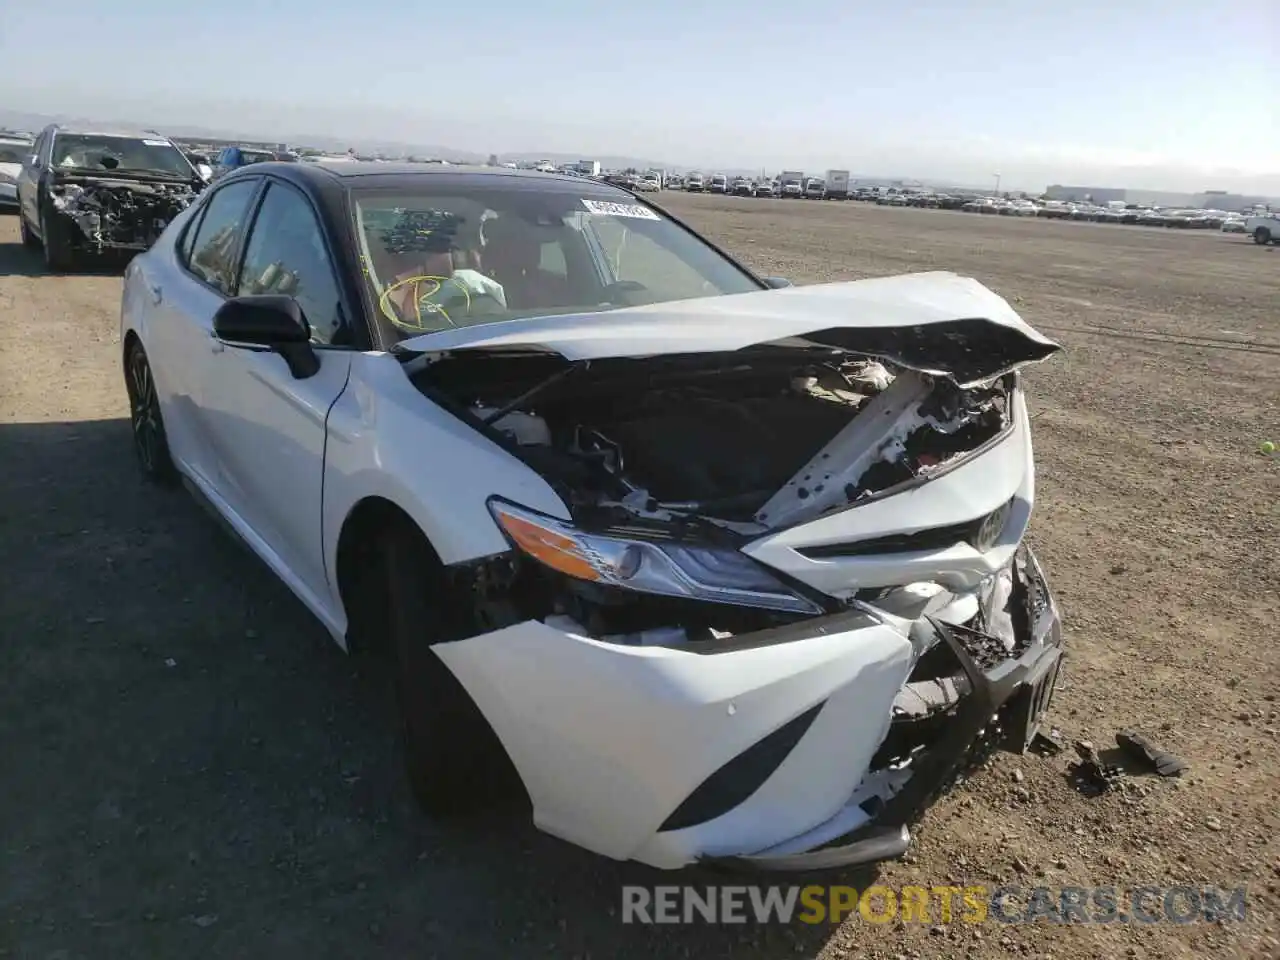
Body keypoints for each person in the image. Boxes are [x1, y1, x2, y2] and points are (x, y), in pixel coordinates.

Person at [480, 214, 570, 309]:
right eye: (514, 241)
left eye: (532, 242)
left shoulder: (556, 287)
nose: (532, 248)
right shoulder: (481, 290)